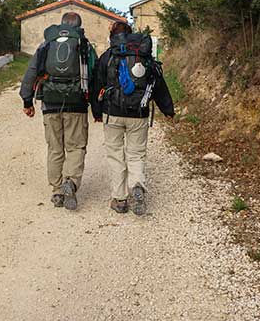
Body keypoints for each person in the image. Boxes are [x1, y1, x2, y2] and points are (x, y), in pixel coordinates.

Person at [92, 22, 175, 215]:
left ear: (113, 36)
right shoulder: (144, 57)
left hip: (112, 113)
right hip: (139, 113)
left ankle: (120, 199)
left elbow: (97, 84)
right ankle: (136, 186)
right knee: (136, 154)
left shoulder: (108, 56)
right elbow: (158, 84)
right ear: (131, 35)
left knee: (116, 155)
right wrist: (168, 109)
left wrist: (97, 112)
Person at [20, 12, 100, 210]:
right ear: (79, 26)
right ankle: (70, 183)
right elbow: (95, 75)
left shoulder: (46, 44)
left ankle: (56, 191)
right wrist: (98, 108)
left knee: (55, 148)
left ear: (61, 24)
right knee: (75, 146)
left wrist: (27, 101)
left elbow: (31, 72)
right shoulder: (85, 45)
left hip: (50, 102)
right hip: (77, 103)